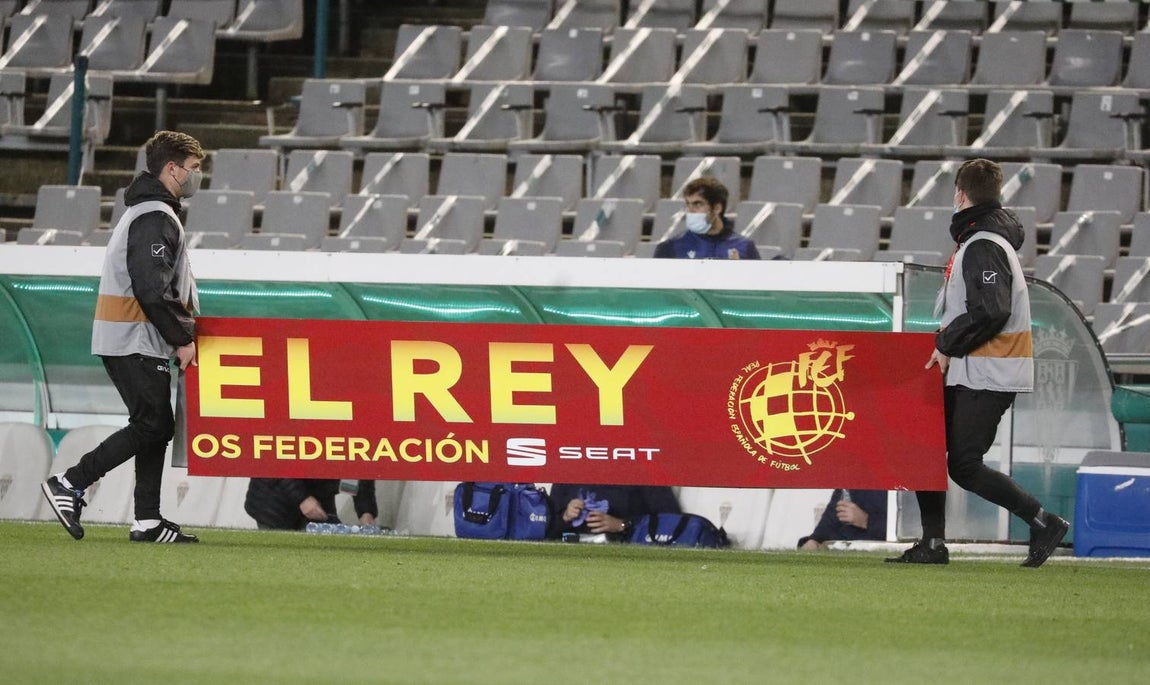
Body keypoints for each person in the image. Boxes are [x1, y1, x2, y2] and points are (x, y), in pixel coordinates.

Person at [887, 158, 1069, 567]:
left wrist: (946, 343)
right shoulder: (982, 241)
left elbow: (991, 311)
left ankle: (1043, 521)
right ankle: (932, 545)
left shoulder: (983, 244)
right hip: (978, 369)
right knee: (929, 451)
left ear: (961, 194)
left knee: (965, 466)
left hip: (989, 370)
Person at [41, 130, 205, 544]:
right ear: (172, 168)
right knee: (153, 423)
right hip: (136, 336)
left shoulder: (147, 211)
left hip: (133, 336)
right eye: (193, 169)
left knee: (154, 424)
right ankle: (70, 483)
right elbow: (152, 287)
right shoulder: (155, 216)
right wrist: (182, 336)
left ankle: (148, 521)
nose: (196, 177)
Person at [653, 176, 760, 260]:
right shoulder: (670, 248)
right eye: (688, 204)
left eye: (697, 204)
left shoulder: (744, 247)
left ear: (717, 208)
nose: (690, 211)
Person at [547, 484, 681, 541]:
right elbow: (544, 529)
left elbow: (673, 524)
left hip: (628, 556)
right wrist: (565, 516)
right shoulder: (566, 468)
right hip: (571, 556)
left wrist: (622, 525)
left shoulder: (644, 468)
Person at [244, 479, 379, 531]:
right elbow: (277, 461)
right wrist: (302, 499)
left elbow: (360, 473)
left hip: (318, 497)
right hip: (274, 502)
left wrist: (366, 513)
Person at [798, 489, 887, 550]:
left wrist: (866, 521)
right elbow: (828, 525)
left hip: (876, 556)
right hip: (840, 554)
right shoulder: (850, 481)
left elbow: (899, 532)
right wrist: (814, 540)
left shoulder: (896, 481)